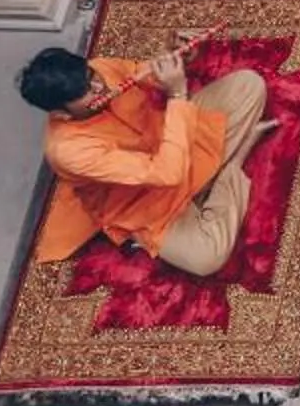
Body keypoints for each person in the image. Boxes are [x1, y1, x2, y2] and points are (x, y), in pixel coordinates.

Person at [16, 39, 278, 278]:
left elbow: (147, 74)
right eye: (85, 92)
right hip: (146, 202)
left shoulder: (101, 70)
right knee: (207, 258)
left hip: (175, 137)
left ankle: (206, 185)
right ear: (61, 113)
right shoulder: (69, 151)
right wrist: (177, 96)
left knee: (248, 84)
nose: (99, 86)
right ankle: (234, 163)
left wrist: (178, 58)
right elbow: (167, 174)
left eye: (91, 76)